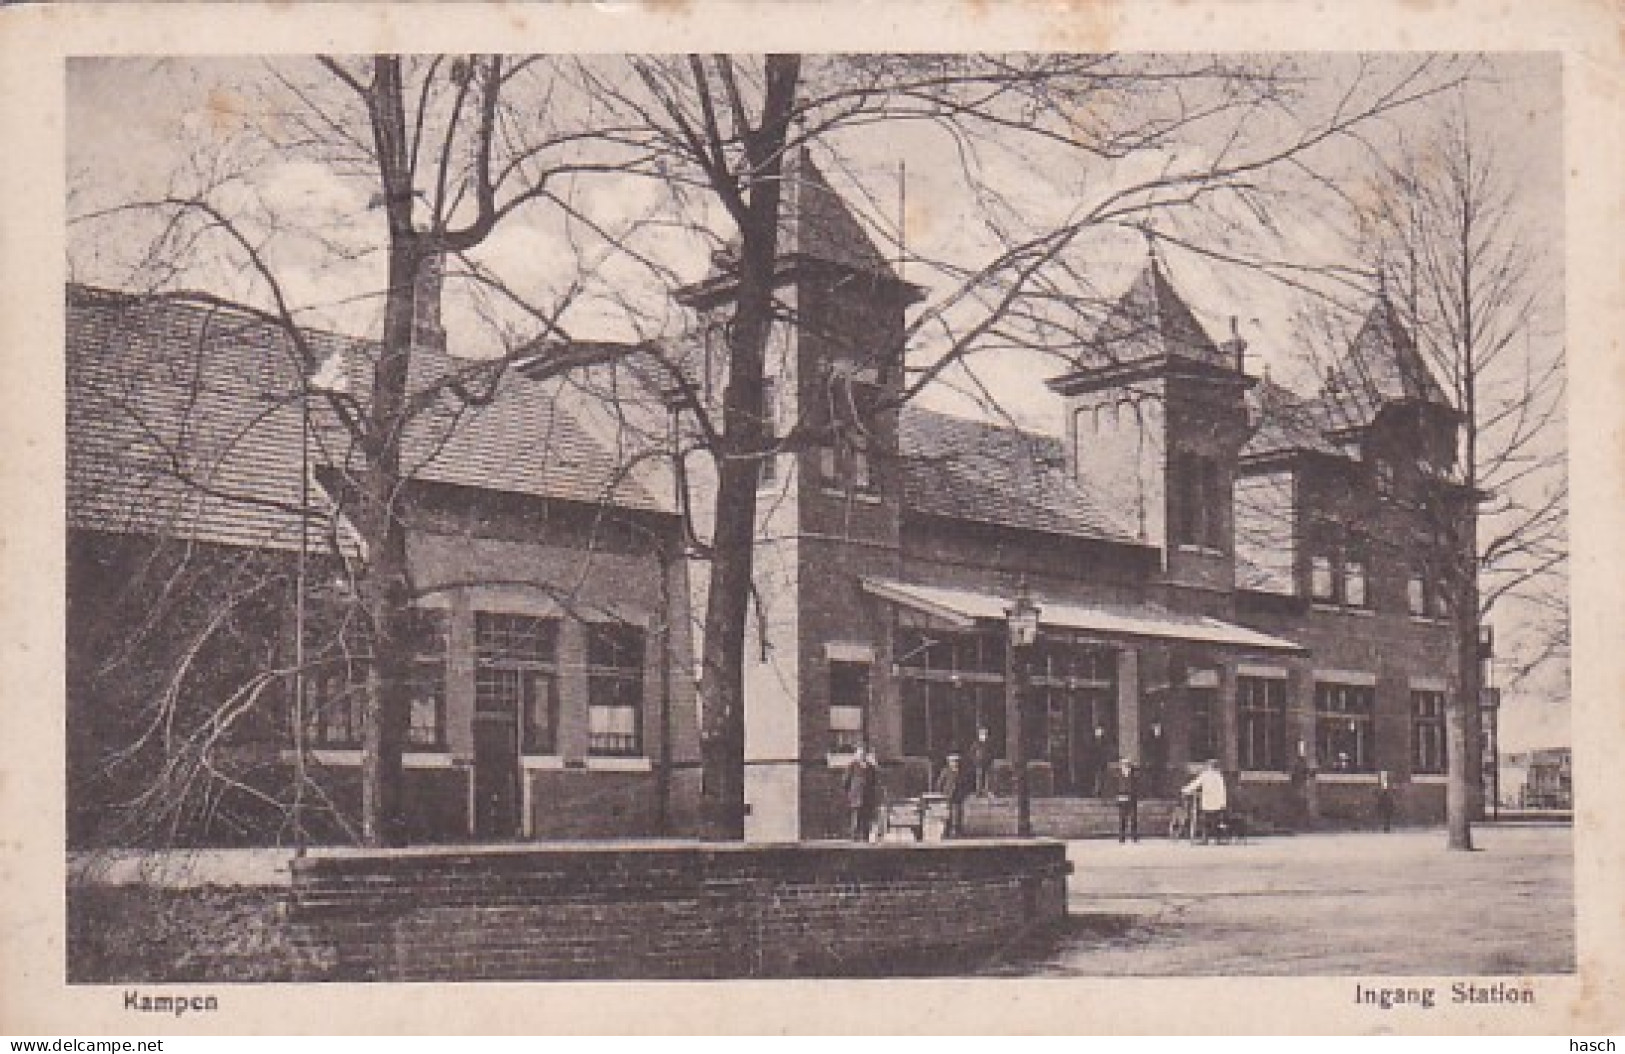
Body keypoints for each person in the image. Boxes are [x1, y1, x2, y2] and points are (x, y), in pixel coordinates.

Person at [1181, 759, 1229, 844]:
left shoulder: (1205, 775)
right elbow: (1222, 790)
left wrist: (1185, 790)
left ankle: (1205, 839)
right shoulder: (1219, 776)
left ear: (1209, 766)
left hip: (1207, 802)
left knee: (1206, 821)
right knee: (1216, 821)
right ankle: (1217, 839)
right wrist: (1223, 803)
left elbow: (1195, 784)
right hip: (1217, 802)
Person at [844, 745, 880, 842]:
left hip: (868, 797)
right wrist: (850, 793)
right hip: (856, 796)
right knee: (856, 817)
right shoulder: (852, 766)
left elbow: (874, 781)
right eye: (860, 754)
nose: (862, 756)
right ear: (856, 755)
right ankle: (854, 837)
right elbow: (846, 781)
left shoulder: (870, 767)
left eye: (863, 754)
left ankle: (865, 837)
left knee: (866, 817)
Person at [1102, 758, 1140, 843]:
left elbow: (1137, 785)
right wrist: (1116, 796)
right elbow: (1114, 786)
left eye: (1127, 764)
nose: (1126, 766)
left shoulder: (1134, 774)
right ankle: (1122, 837)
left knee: (1133, 818)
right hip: (1122, 796)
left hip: (1132, 797)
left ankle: (1134, 837)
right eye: (1124, 764)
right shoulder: (1118, 775)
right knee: (1122, 818)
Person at [935, 753, 970, 838]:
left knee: (958, 813)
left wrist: (964, 793)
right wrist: (940, 793)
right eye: (953, 761)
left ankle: (957, 831)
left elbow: (966, 783)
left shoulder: (961, 772)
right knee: (947, 814)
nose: (955, 763)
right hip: (948, 795)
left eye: (956, 761)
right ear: (949, 762)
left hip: (958, 795)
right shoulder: (946, 771)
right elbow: (940, 783)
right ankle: (946, 831)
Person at [970, 726, 996, 797]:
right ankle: (979, 791)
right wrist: (975, 760)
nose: (983, 736)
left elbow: (992, 752)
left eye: (984, 734)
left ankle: (987, 791)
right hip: (979, 763)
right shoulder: (976, 744)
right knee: (979, 777)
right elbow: (972, 752)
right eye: (981, 734)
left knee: (988, 777)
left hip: (987, 763)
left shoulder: (989, 743)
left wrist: (990, 759)